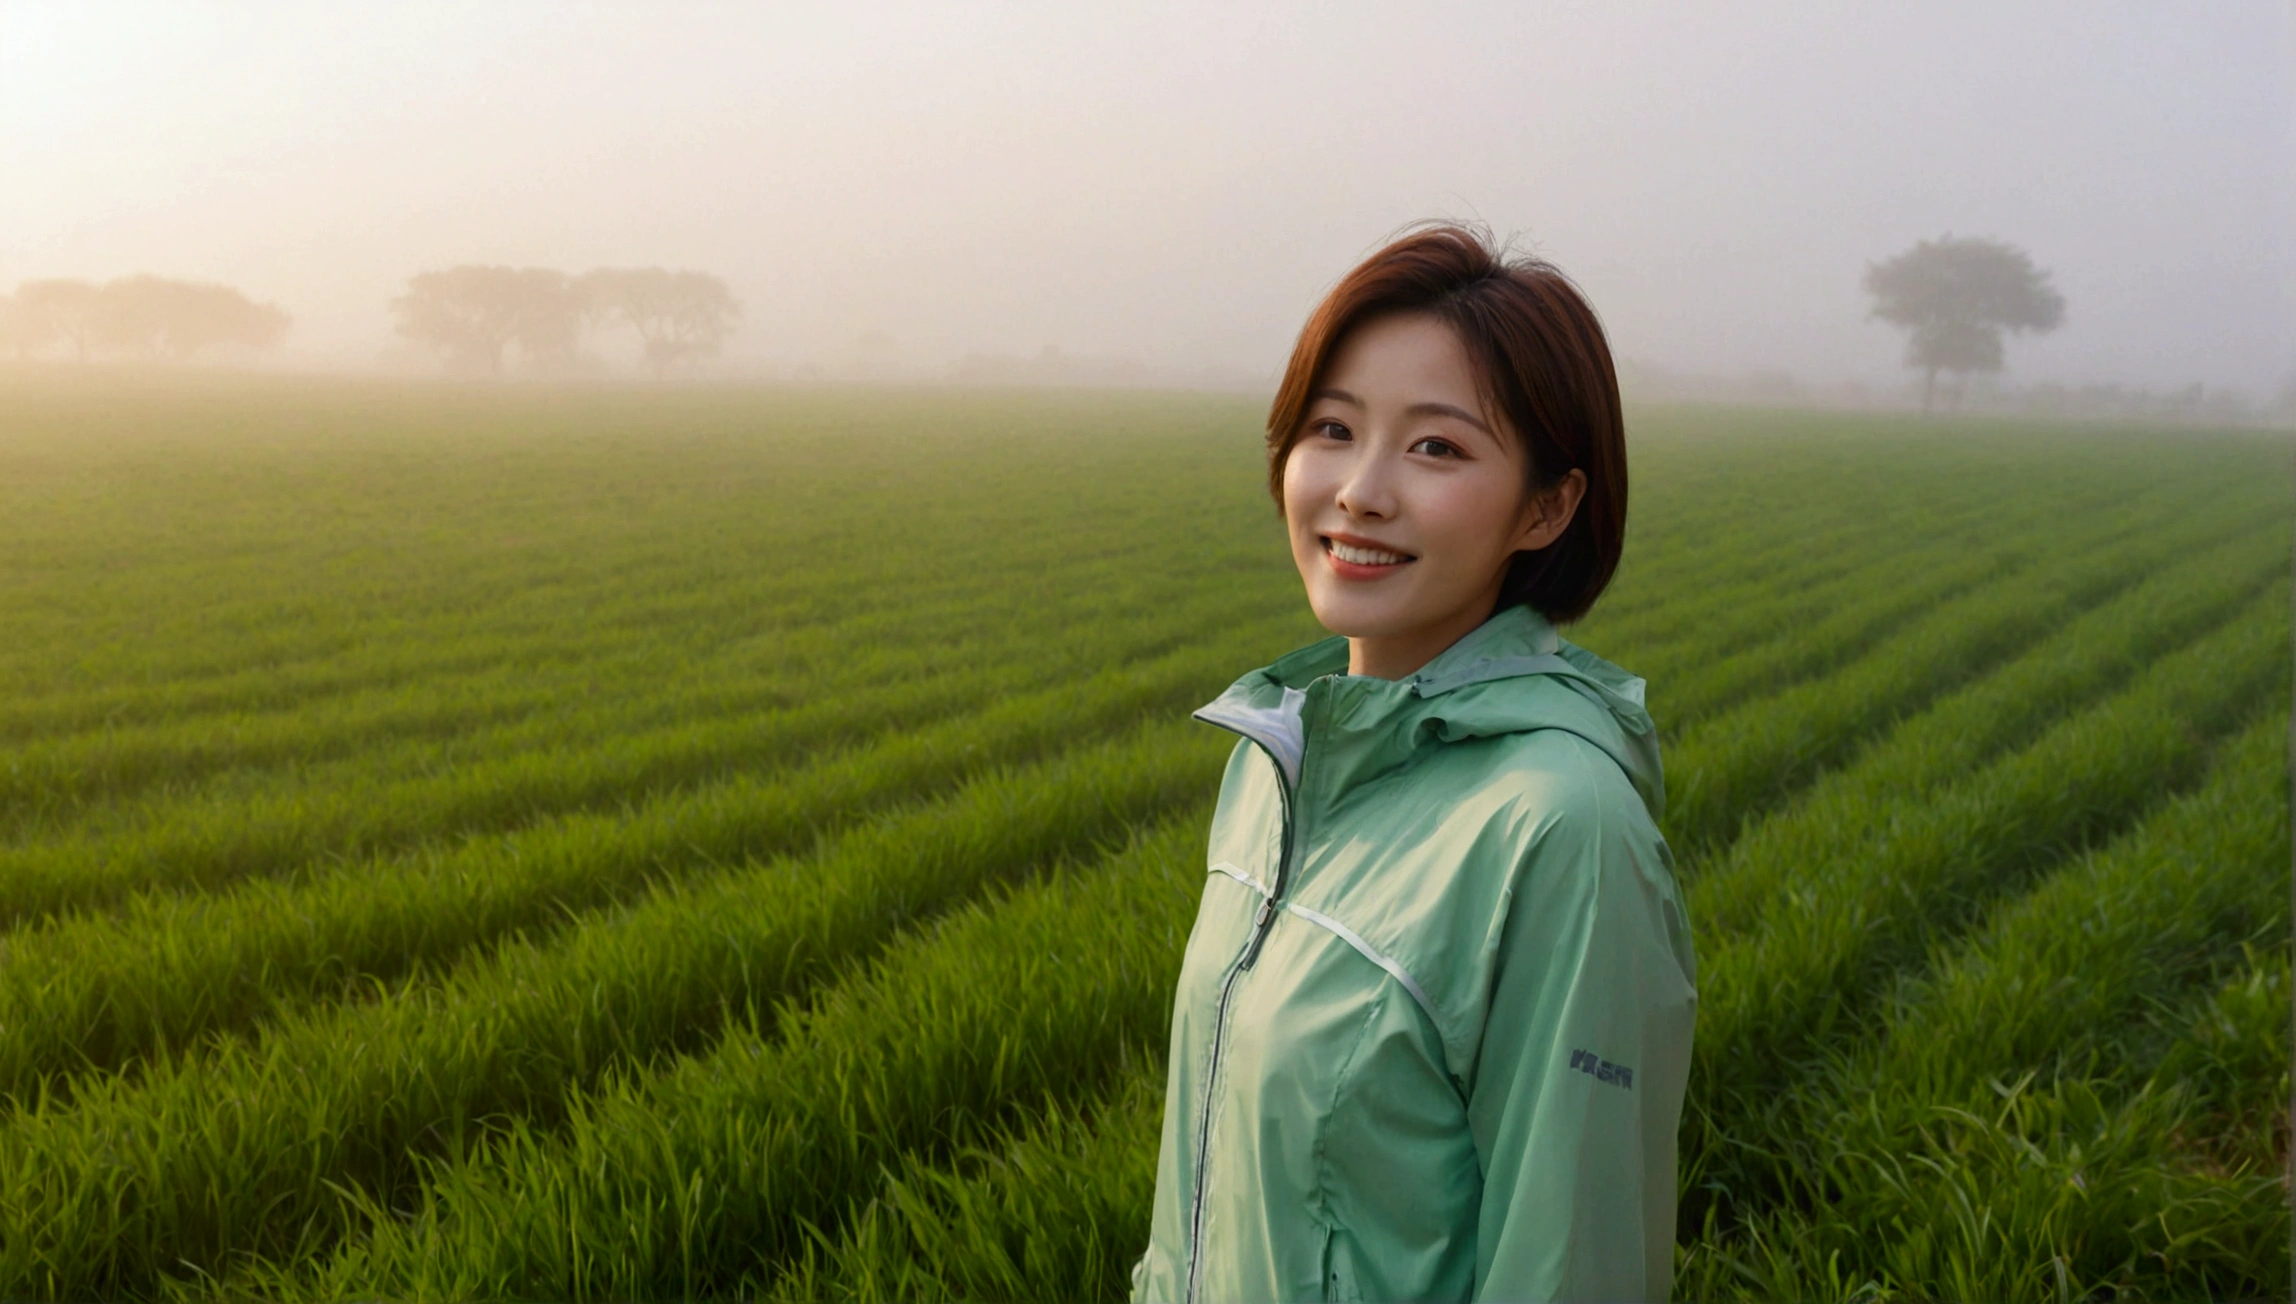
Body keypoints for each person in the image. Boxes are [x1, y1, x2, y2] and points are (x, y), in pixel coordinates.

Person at [1128, 222, 1698, 1304]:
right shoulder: (1279, 757)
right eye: (1332, 428)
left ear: (1547, 505)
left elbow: (1570, 1268)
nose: (1359, 490)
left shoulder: (1558, 830)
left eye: (1436, 447)